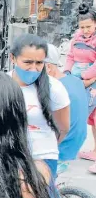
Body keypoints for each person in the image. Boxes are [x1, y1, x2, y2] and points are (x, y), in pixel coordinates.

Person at [9, 34, 70, 179]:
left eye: (39, 63)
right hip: (8, 157)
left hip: (43, 158)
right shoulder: (2, 84)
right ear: (13, 58)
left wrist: (43, 146)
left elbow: (63, 128)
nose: (34, 68)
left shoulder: (54, 88)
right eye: (28, 62)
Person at [63, 3, 96, 173]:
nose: (85, 30)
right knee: (79, 115)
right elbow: (70, 57)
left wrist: (85, 77)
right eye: (82, 27)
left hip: (91, 81)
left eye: (88, 26)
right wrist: (67, 72)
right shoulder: (76, 38)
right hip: (77, 78)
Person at [45, 44, 88, 174]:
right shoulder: (75, 81)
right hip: (76, 141)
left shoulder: (53, 88)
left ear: (48, 67)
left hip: (62, 149)